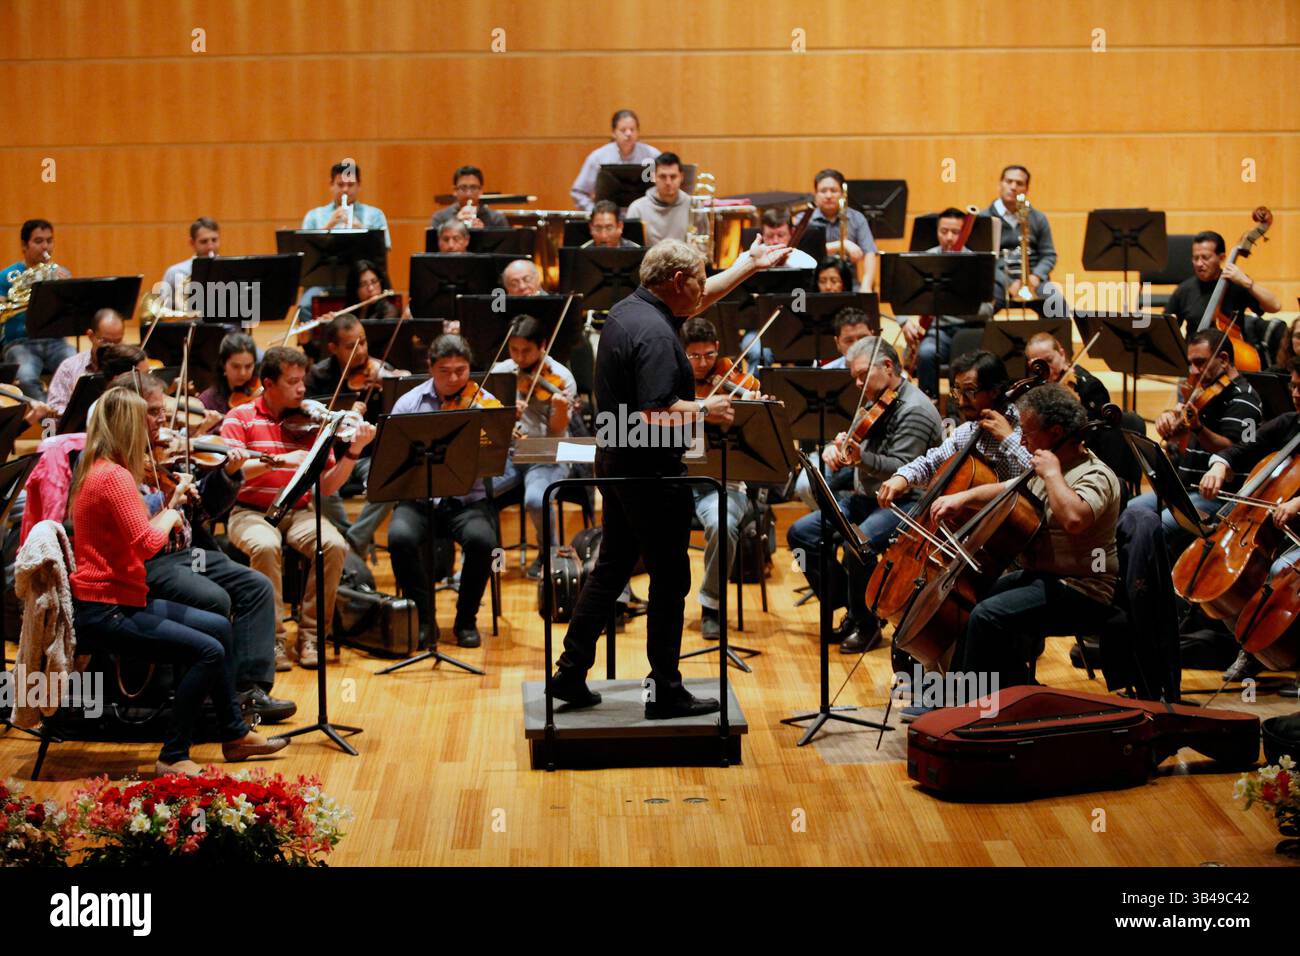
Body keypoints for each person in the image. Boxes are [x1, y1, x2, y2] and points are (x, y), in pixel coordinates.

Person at [551, 236, 794, 718]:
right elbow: (656, 413)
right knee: (670, 576)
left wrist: (749, 264)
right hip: (650, 470)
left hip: (617, 461)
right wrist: (709, 408)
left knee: (613, 567)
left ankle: (570, 672)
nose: (703, 289)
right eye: (698, 278)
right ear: (678, 281)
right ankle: (664, 690)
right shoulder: (659, 336)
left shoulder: (631, 309)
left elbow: (702, 296)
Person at [69, 386, 288, 776]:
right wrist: (173, 508)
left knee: (219, 626)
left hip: (120, 598)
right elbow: (149, 545)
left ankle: (234, 734)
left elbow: (137, 537)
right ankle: (172, 753)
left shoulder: (99, 469)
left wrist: (170, 507)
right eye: (146, 421)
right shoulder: (114, 477)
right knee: (208, 651)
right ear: (128, 427)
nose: (155, 429)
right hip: (107, 611)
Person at [112, 372, 293, 721]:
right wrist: (170, 499)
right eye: (153, 412)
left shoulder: (169, 452)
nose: (163, 420)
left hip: (189, 554)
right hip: (151, 560)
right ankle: (209, 696)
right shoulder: (119, 463)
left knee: (255, 586)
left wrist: (228, 475)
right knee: (214, 597)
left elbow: (206, 509)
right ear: (128, 412)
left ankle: (249, 689)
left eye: (162, 410)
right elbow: (139, 532)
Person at [937, 384, 1121, 691]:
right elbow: (1006, 489)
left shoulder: (1095, 474)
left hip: (1083, 590)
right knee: (968, 601)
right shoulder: (1049, 464)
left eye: (1029, 432)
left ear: (1056, 431)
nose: (1021, 440)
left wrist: (1051, 475)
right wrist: (963, 497)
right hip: (1045, 577)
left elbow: (1074, 518)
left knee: (987, 617)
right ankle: (1009, 692)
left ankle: (975, 709)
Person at [220, 346, 376, 669]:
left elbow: (329, 486)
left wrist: (354, 451)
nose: (302, 389)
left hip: (299, 510)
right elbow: (234, 471)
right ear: (268, 384)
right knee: (265, 545)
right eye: (292, 382)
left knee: (333, 545)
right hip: (250, 511)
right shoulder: (240, 418)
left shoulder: (311, 421)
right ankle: (271, 640)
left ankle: (313, 636)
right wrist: (278, 460)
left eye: (302, 380)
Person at [786, 337, 943, 652]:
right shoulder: (879, 400)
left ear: (887, 366)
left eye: (861, 375)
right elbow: (856, 447)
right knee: (801, 533)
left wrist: (860, 457)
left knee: (858, 543)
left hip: (906, 503)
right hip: (867, 498)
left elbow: (902, 471)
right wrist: (839, 448)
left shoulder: (914, 410)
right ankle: (851, 605)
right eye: (854, 377)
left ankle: (867, 623)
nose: (857, 384)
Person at [387, 335, 506, 648]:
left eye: (461, 371)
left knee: (484, 541)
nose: (454, 379)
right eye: (445, 371)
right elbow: (393, 458)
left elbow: (499, 457)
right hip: (419, 500)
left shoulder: (484, 403)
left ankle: (465, 620)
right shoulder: (409, 404)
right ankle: (424, 618)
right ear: (430, 368)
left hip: (467, 501)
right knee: (399, 538)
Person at [1199, 357, 1300, 686]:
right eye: (1293, 385)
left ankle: (1284, 649)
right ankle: (1252, 646)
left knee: (1275, 573)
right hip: (1270, 530)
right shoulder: (1289, 423)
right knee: (1224, 578)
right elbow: (1244, 448)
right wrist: (1220, 466)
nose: (1295, 393)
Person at [1127, 329, 1263, 554]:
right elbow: (1179, 435)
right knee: (1130, 511)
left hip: (1215, 497)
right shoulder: (1203, 391)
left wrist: (1198, 428)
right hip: (1183, 488)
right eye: (1190, 364)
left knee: (1154, 527)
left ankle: (1156, 586)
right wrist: (1169, 420)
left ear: (1224, 359)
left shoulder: (1244, 399)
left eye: (1200, 363)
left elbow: (1237, 452)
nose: (1193, 371)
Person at [306, 314, 405, 556]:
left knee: (391, 483)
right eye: (351, 346)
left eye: (363, 342)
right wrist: (343, 415)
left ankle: (352, 543)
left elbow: (406, 404)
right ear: (333, 348)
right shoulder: (318, 377)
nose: (361, 351)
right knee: (320, 492)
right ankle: (355, 540)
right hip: (334, 456)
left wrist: (391, 384)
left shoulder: (380, 371)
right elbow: (308, 418)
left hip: (369, 456)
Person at [682, 317, 754, 638]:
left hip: (725, 481)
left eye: (709, 356)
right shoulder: (669, 381)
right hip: (679, 479)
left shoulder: (734, 381)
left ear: (718, 350)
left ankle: (711, 604)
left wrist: (752, 409)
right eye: (694, 357)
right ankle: (629, 598)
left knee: (722, 525)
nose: (702, 364)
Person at [491, 316, 578, 577]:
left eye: (526, 351)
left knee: (536, 500)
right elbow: (485, 421)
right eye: (514, 350)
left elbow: (557, 431)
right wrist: (505, 415)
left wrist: (560, 409)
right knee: (476, 492)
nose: (519, 358)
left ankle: (547, 556)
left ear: (543, 345)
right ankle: (492, 559)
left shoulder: (561, 378)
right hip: (508, 454)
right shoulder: (501, 372)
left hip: (547, 454)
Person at [899, 207, 995, 397]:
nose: (949, 237)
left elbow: (987, 309)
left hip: (968, 331)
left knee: (966, 363)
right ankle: (929, 403)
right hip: (937, 331)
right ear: (937, 231)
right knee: (926, 354)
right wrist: (904, 321)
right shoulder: (924, 260)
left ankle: (961, 408)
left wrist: (952, 305)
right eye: (944, 231)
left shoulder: (977, 263)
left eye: (955, 232)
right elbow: (900, 295)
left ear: (964, 233)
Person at [789, 308, 879, 510]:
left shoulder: (887, 373)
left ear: (873, 337)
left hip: (875, 454)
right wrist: (828, 447)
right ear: (837, 343)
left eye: (863, 338)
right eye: (849, 340)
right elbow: (813, 428)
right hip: (835, 451)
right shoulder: (824, 376)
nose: (858, 345)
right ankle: (845, 526)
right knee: (805, 485)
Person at [0, 219, 75, 401]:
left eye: (49, 241)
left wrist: (66, 288)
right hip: (20, 343)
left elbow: (71, 313)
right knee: (25, 378)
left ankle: (64, 417)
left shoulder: (60, 274)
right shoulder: (7, 277)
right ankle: (50, 420)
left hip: (55, 342)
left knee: (77, 371)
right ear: (24, 246)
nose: (45, 247)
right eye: (39, 241)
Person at [1164, 229, 1281, 340]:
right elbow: (1166, 330)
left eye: (1205, 257)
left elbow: (1274, 306)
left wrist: (1248, 283)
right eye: (1195, 258)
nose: (1199, 263)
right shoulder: (1184, 290)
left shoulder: (1237, 284)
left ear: (1222, 258)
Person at [985, 165, 1061, 313]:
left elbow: (1049, 255)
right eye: (1009, 181)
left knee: (1056, 303)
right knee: (982, 307)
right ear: (1000, 184)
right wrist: (1008, 283)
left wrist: (1036, 276)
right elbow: (985, 261)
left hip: (1033, 280)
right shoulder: (984, 218)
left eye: (1019, 183)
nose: (1013, 187)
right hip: (998, 281)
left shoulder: (1038, 218)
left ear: (1026, 189)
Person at [570, 109, 662, 211]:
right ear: (613, 133)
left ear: (638, 132)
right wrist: (595, 213)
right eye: (623, 130)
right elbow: (578, 192)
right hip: (609, 221)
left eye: (632, 129)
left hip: (644, 217)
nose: (628, 133)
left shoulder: (652, 155)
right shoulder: (598, 157)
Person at [46, 308, 125, 416]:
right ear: (91, 336)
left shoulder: (129, 365)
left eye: (117, 342)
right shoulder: (69, 367)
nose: (112, 347)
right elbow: (55, 408)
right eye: (105, 341)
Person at [808, 169, 877, 290]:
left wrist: (866, 285)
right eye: (823, 191)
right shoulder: (804, 220)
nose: (828, 196)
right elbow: (803, 253)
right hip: (815, 284)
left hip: (849, 284)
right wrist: (841, 245)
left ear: (842, 193)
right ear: (816, 194)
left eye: (833, 191)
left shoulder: (857, 218)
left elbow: (869, 253)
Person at [301, 159, 391, 246]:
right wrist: (328, 226)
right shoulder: (313, 216)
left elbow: (385, 247)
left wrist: (361, 228)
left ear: (359, 185)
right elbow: (304, 248)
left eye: (350, 184)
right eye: (340, 184)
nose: (345, 189)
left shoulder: (375, 214)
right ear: (331, 185)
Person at [1023, 331, 1110, 419]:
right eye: (1039, 365)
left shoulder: (1090, 386)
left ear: (1062, 354)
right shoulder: (1032, 388)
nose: (1047, 369)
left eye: (1049, 360)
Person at [625, 152, 691, 246]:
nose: (668, 182)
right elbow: (631, 250)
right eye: (663, 176)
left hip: (685, 260)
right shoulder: (637, 209)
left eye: (673, 177)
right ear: (653, 177)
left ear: (681, 177)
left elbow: (703, 247)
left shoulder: (694, 206)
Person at [161, 217, 220, 310]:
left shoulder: (231, 269)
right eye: (204, 241)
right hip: (187, 323)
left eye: (214, 240)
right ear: (192, 243)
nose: (210, 246)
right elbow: (162, 308)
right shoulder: (175, 271)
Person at [431, 165, 511, 231]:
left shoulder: (496, 219)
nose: (468, 193)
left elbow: (505, 249)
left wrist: (484, 233)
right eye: (463, 188)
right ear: (455, 190)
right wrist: (455, 224)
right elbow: (434, 248)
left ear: (481, 190)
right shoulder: (440, 218)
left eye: (473, 187)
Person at [198, 332, 259, 416]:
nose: (243, 373)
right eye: (236, 366)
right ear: (223, 364)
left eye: (248, 366)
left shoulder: (262, 391)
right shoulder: (208, 401)